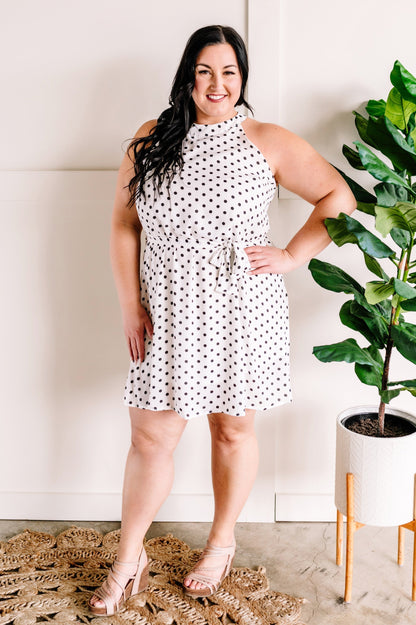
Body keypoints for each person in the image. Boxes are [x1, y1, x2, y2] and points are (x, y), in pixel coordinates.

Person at [89, 24, 356, 616]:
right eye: (206, 71)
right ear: (188, 76)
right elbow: (123, 224)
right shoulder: (150, 138)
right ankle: (129, 557)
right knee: (150, 437)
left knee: (231, 430)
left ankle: (222, 541)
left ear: (243, 78)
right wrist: (131, 303)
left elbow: (338, 198)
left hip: (242, 310)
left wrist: (291, 254)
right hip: (166, 313)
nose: (217, 83)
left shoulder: (266, 140)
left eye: (229, 72)